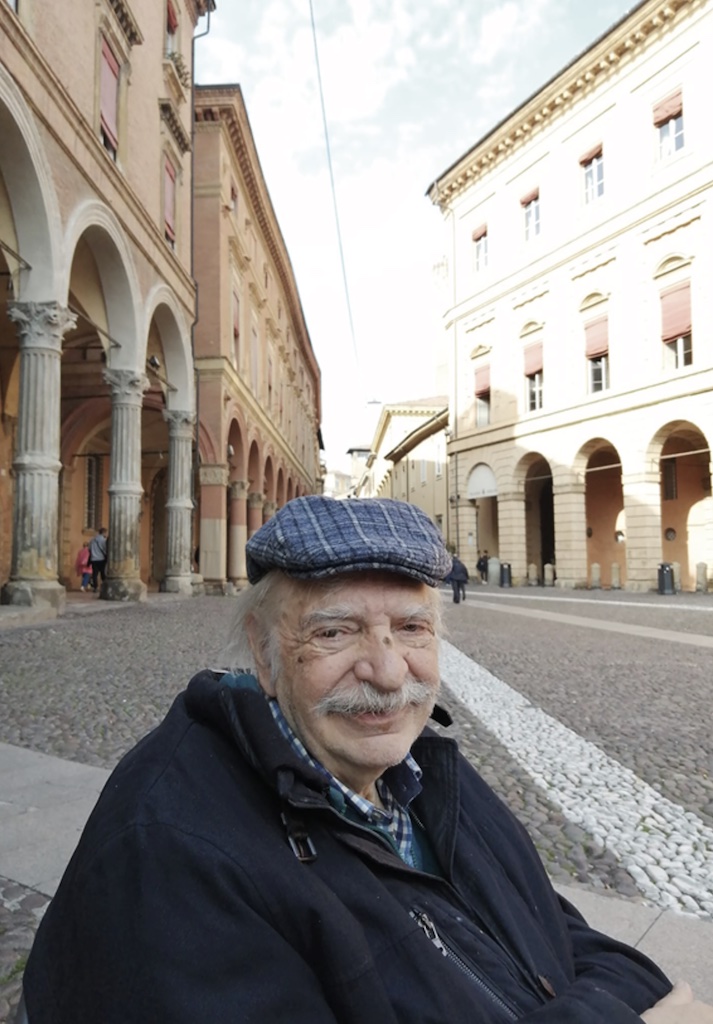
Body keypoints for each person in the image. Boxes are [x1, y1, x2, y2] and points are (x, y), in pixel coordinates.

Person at [21, 496, 711, 1023]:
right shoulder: (173, 852)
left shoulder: (419, 773)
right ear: (262, 651)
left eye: (412, 628)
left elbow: (555, 932)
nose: (386, 672)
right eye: (335, 631)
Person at [88, 527, 107, 592]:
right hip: (101, 558)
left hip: (93, 559)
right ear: (104, 532)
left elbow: (89, 549)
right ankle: (104, 586)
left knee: (95, 574)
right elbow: (105, 549)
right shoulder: (103, 540)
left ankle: (95, 587)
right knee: (103, 573)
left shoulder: (92, 540)